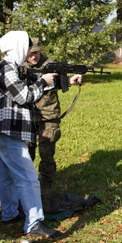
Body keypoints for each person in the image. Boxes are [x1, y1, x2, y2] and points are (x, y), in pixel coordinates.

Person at [0, 33, 61, 239]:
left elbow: (32, 84)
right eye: (26, 46)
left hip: (7, 131)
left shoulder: (11, 67)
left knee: (8, 177)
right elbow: (24, 96)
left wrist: (65, 81)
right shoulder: (7, 69)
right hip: (9, 131)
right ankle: (34, 224)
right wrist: (42, 82)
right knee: (29, 178)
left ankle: (9, 213)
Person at [24, 44, 82, 212]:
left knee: (47, 151)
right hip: (28, 115)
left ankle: (46, 185)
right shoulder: (20, 65)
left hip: (48, 115)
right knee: (27, 151)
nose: (33, 57)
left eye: (35, 53)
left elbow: (57, 83)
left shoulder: (50, 64)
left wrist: (70, 80)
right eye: (30, 54)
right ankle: (28, 184)